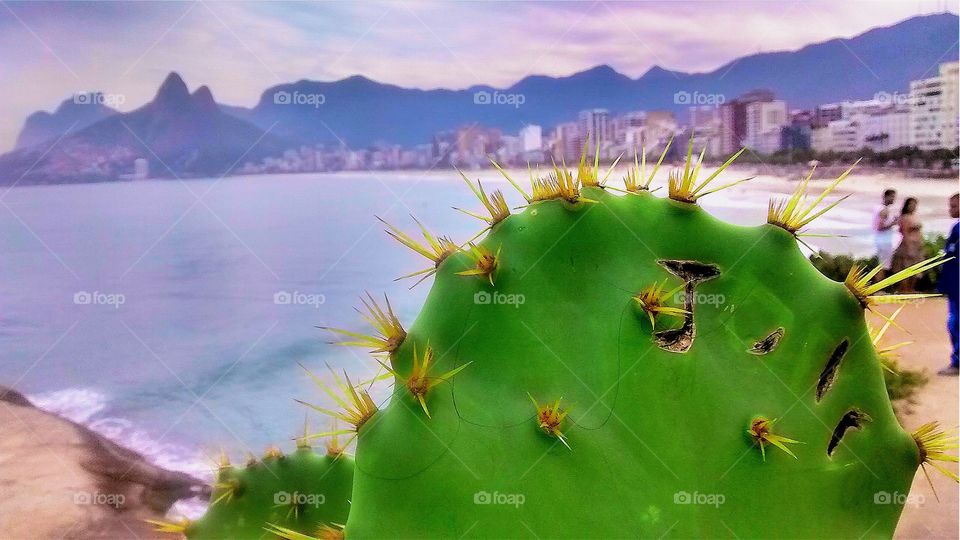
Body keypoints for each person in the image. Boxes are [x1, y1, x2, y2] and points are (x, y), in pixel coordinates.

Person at [937, 193, 959, 376]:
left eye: (953, 206)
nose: (950, 210)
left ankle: (957, 361)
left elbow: (951, 259)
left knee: (955, 322)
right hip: (954, 284)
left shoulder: (958, 230)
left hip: (956, 285)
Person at [891, 197, 923, 293]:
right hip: (907, 244)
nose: (913, 206)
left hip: (917, 244)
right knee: (905, 267)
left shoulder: (915, 216)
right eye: (911, 204)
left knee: (916, 268)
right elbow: (904, 232)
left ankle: (911, 289)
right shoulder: (904, 217)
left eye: (914, 204)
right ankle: (904, 289)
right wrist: (908, 247)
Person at [872, 189, 899, 280]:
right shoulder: (884, 210)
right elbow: (880, 226)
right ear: (886, 197)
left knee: (882, 264)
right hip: (884, 240)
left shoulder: (879, 208)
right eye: (892, 197)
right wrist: (894, 223)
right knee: (883, 265)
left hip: (880, 239)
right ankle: (879, 287)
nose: (893, 199)